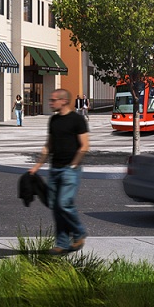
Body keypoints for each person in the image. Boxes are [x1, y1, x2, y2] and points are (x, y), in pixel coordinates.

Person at [30, 87, 90, 255]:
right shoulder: (53, 120)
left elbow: (85, 145)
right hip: (54, 169)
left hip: (70, 170)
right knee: (56, 207)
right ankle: (62, 243)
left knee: (64, 203)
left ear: (63, 101)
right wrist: (36, 167)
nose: (50, 103)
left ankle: (79, 233)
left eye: (53, 100)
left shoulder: (77, 120)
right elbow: (48, 145)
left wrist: (73, 165)